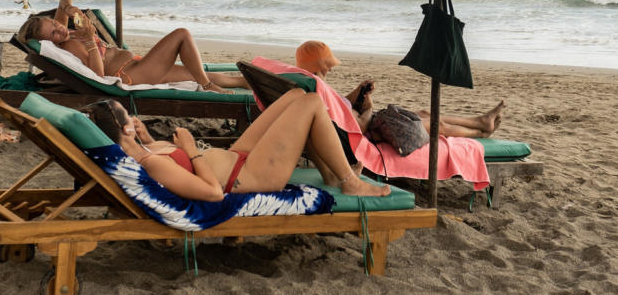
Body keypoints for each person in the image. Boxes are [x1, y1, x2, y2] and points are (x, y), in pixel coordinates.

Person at [84, 93, 390, 200]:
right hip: (246, 176)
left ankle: (333, 174)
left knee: (296, 95)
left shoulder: (145, 153)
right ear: (124, 128)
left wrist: (148, 139)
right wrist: (190, 149)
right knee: (310, 104)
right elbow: (212, 193)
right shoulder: (151, 165)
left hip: (235, 156)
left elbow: (168, 159)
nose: (135, 118)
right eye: (129, 115)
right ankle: (349, 183)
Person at [18, 0, 246, 93]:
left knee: (194, 74)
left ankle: (244, 83)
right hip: (133, 75)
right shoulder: (69, 47)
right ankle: (208, 87)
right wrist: (89, 41)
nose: (60, 29)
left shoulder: (64, 29)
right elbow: (98, 76)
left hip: (139, 66)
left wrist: (69, 10)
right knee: (181, 34)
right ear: (49, 42)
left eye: (54, 24)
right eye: (54, 34)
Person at [295, 41, 504, 139]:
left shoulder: (310, 83)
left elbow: (342, 104)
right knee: (435, 125)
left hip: (373, 121)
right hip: (373, 130)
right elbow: (360, 127)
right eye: (328, 64)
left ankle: (479, 122)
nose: (332, 68)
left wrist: (359, 91)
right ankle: (479, 133)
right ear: (319, 65)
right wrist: (369, 108)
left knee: (425, 113)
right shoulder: (317, 91)